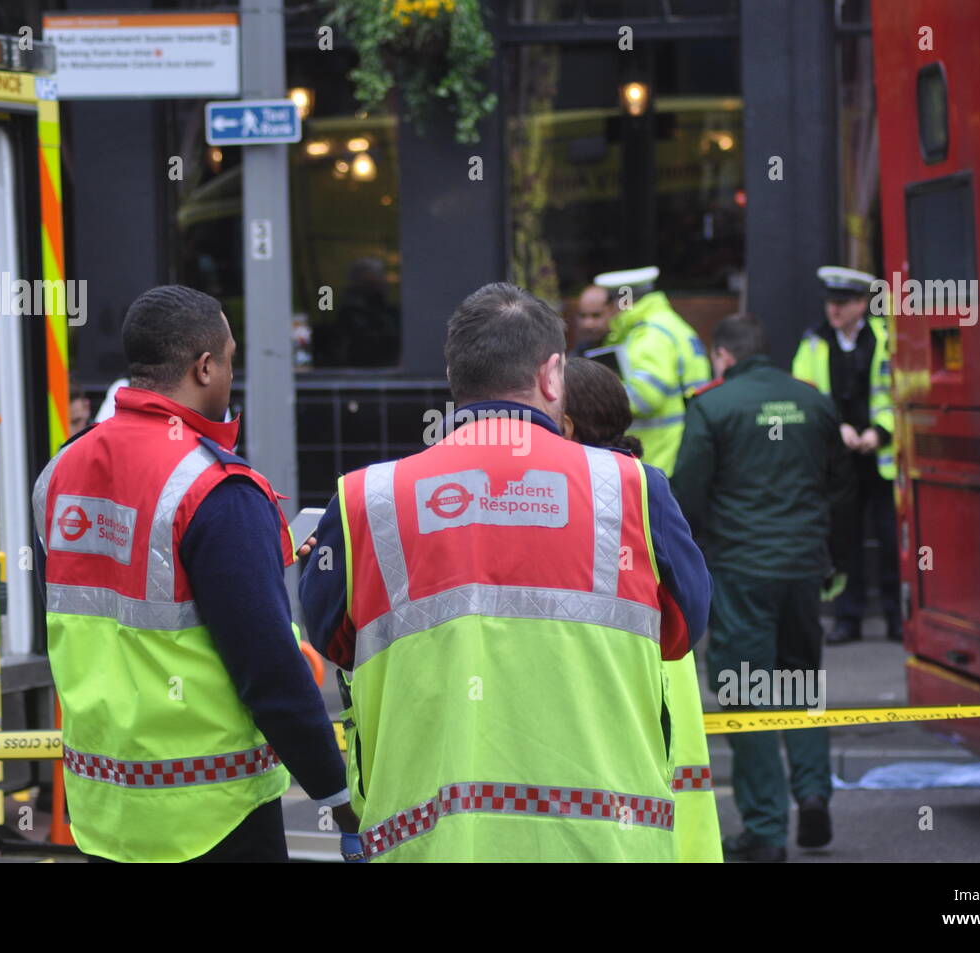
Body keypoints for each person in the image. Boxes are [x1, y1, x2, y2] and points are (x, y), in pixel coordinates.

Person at [300, 282, 712, 862]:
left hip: (428, 840)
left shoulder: (367, 499)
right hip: (601, 840)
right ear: (552, 375)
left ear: (454, 375)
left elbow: (334, 641)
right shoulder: (634, 491)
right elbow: (681, 631)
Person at [32, 285, 357, 863]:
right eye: (230, 358)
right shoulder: (217, 488)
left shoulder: (61, 470)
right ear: (205, 366)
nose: (232, 374)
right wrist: (338, 793)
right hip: (213, 818)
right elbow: (269, 672)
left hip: (105, 815)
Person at [672, 313, 854, 862]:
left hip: (742, 570)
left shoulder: (713, 405)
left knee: (747, 695)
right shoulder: (813, 401)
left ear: (723, 356)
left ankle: (767, 829)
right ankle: (814, 792)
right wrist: (830, 558)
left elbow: (689, 497)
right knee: (798, 684)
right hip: (803, 567)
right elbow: (841, 486)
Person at [563, 357, 722, 863]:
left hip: (631, 694)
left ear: (566, 424)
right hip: (652, 688)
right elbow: (692, 602)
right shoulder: (641, 482)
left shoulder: (623, 486)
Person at [792, 266, 900, 644]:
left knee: (891, 540)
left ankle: (896, 618)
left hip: (882, 458)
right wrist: (837, 427)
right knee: (843, 542)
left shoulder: (886, 338)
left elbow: (901, 394)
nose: (833, 311)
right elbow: (804, 398)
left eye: (841, 304)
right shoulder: (813, 344)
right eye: (829, 303)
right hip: (838, 462)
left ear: (861, 304)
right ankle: (847, 619)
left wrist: (880, 432)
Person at [587, 267, 711, 475]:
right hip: (680, 452)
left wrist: (597, 394)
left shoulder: (649, 336)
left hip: (659, 456)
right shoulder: (670, 324)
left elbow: (645, 397)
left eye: (606, 304)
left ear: (621, 301)